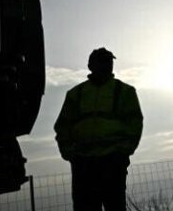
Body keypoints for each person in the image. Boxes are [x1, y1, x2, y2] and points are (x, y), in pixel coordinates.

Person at [54, 48, 143, 211]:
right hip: (83, 163)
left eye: (109, 61)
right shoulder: (75, 94)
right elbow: (63, 126)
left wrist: (123, 152)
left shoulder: (125, 91)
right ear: (90, 65)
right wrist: (69, 153)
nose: (107, 64)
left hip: (113, 162)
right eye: (102, 61)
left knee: (115, 206)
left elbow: (135, 123)